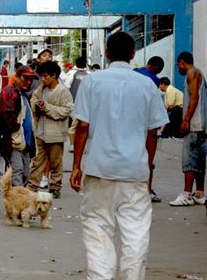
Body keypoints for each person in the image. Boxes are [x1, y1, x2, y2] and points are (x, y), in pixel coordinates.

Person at [70, 32, 168, 280]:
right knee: (135, 233)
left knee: (97, 230)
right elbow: (152, 133)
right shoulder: (147, 84)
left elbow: (82, 127)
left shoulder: (93, 82)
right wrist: (149, 170)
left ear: (106, 53)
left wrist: (76, 167)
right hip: (134, 172)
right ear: (134, 54)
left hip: (98, 169)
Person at [28, 61, 73, 199]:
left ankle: (55, 186)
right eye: (41, 76)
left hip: (55, 133)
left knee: (56, 161)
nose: (43, 79)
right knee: (38, 161)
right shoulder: (41, 89)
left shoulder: (63, 91)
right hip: (40, 132)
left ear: (54, 76)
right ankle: (33, 185)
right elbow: (33, 100)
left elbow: (66, 110)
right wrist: (37, 105)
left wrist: (47, 108)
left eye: (45, 76)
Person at [0, 66, 37, 186]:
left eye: (31, 79)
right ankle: (17, 200)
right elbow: (5, 115)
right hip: (13, 140)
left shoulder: (22, 94)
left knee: (25, 173)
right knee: (18, 171)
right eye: (25, 78)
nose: (28, 82)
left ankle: (17, 196)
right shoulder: (10, 92)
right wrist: (15, 129)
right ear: (17, 77)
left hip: (24, 140)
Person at [169, 51, 207, 206]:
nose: (178, 67)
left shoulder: (192, 73)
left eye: (178, 64)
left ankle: (186, 194)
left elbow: (195, 98)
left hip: (195, 124)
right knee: (199, 160)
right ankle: (199, 193)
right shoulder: (199, 73)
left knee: (190, 159)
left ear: (183, 62)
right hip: (201, 125)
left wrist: (186, 120)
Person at [135, 55, 165, 203]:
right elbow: (154, 110)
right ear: (156, 68)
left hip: (130, 124)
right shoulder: (153, 80)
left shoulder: (134, 72)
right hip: (146, 125)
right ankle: (147, 190)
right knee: (148, 160)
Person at [65, 57, 89, 153]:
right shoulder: (89, 75)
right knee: (83, 126)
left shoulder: (71, 74)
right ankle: (77, 145)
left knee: (74, 126)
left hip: (74, 103)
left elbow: (66, 87)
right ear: (86, 63)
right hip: (85, 105)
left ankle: (72, 144)